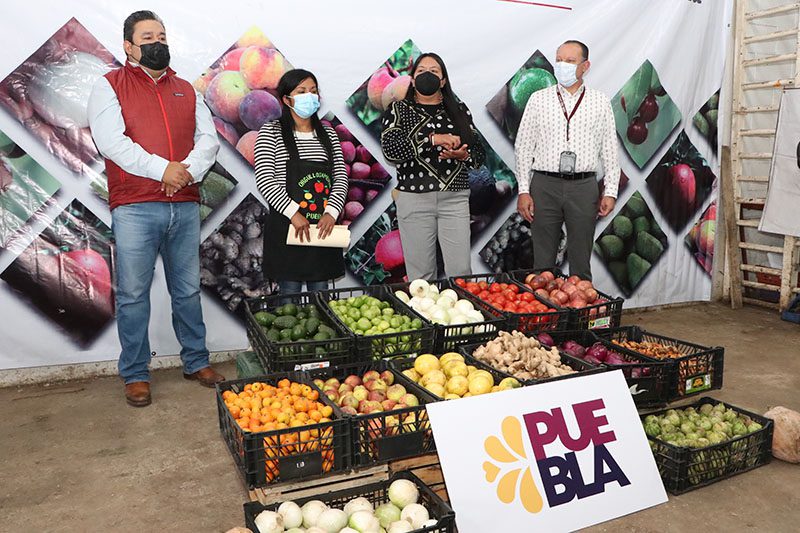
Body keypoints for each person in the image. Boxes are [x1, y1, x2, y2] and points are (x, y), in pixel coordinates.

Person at [88, 10, 224, 407]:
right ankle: (135, 373)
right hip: (135, 206)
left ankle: (196, 361)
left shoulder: (186, 89)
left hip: (183, 205)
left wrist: (185, 172)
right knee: (133, 295)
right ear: (128, 46)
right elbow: (111, 142)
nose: (157, 43)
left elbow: (209, 140)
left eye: (161, 36)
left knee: (188, 290)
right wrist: (162, 168)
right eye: (147, 37)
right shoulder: (109, 85)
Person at [515, 40, 620, 280]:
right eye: (559, 60)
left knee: (581, 261)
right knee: (542, 263)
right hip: (544, 185)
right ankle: (543, 305)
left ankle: (580, 303)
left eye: (570, 61)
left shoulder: (600, 101)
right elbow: (523, 147)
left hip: (584, 186)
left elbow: (610, 150)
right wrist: (523, 190)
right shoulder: (538, 99)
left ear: (585, 66)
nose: (563, 66)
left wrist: (611, 191)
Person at [381, 53, 485, 281]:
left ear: (443, 80)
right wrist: (432, 140)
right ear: (412, 78)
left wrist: (463, 155)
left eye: (434, 71)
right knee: (421, 278)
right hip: (414, 199)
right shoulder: (398, 109)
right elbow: (391, 151)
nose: (427, 75)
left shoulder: (459, 110)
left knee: (460, 274)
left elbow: (479, 155)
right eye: (421, 71)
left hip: (455, 199)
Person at [254, 69, 348, 296]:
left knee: (321, 295)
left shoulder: (328, 134)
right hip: (287, 226)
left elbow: (340, 177)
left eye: (313, 91)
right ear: (287, 99)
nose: (309, 96)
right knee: (289, 296)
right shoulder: (271, 132)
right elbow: (265, 179)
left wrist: (331, 212)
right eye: (302, 91)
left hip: (321, 229)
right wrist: (294, 214)